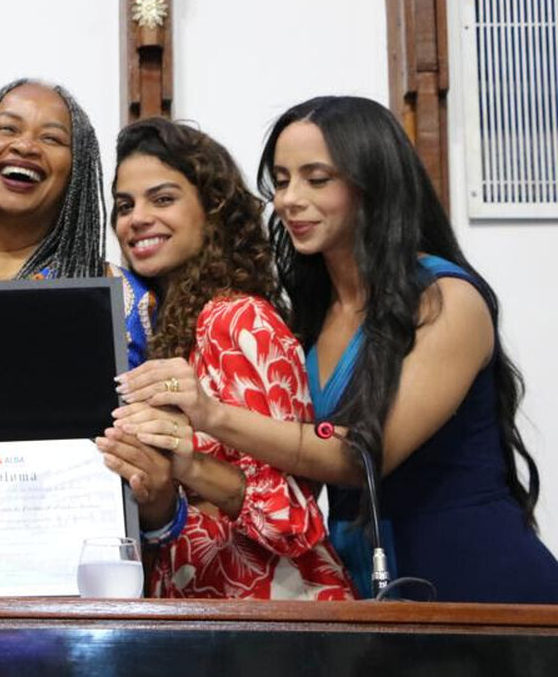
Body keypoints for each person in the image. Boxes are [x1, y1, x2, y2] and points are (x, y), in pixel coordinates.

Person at [118, 97, 558, 602]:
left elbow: (363, 458)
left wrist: (209, 417)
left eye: (317, 179)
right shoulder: (315, 313)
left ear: (373, 183)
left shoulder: (448, 300)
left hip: (477, 581)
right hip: (371, 583)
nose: (289, 199)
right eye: (282, 181)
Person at [100, 117, 353, 600]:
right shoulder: (165, 327)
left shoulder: (236, 320)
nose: (137, 218)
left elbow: (290, 518)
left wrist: (186, 464)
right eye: (125, 205)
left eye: (163, 199)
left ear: (213, 210)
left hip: (270, 616)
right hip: (195, 608)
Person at [0, 79, 154, 366]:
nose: (25, 146)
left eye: (51, 138)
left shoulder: (124, 299)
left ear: (76, 176)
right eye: (7, 129)